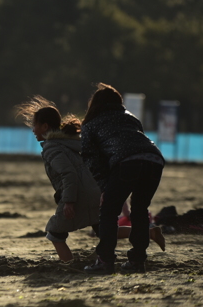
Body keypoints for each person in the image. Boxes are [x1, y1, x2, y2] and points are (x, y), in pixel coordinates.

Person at [17, 96, 165, 263]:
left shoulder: (52, 148)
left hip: (80, 195)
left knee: (55, 233)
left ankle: (68, 265)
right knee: (105, 229)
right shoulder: (71, 142)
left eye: (34, 125)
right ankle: (149, 232)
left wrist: (69, 201)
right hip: (95, 191)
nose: (33, 130)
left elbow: (69, 175)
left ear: (44, 126)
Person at [80, 83, 165, 274]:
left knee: (108, 212)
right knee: (140, 210)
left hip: (127, 163)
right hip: (154, 159)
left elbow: (90, 157)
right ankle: (137, 261)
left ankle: (105, 261)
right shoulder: (131, 118)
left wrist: (103, 187)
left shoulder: (91, 123)